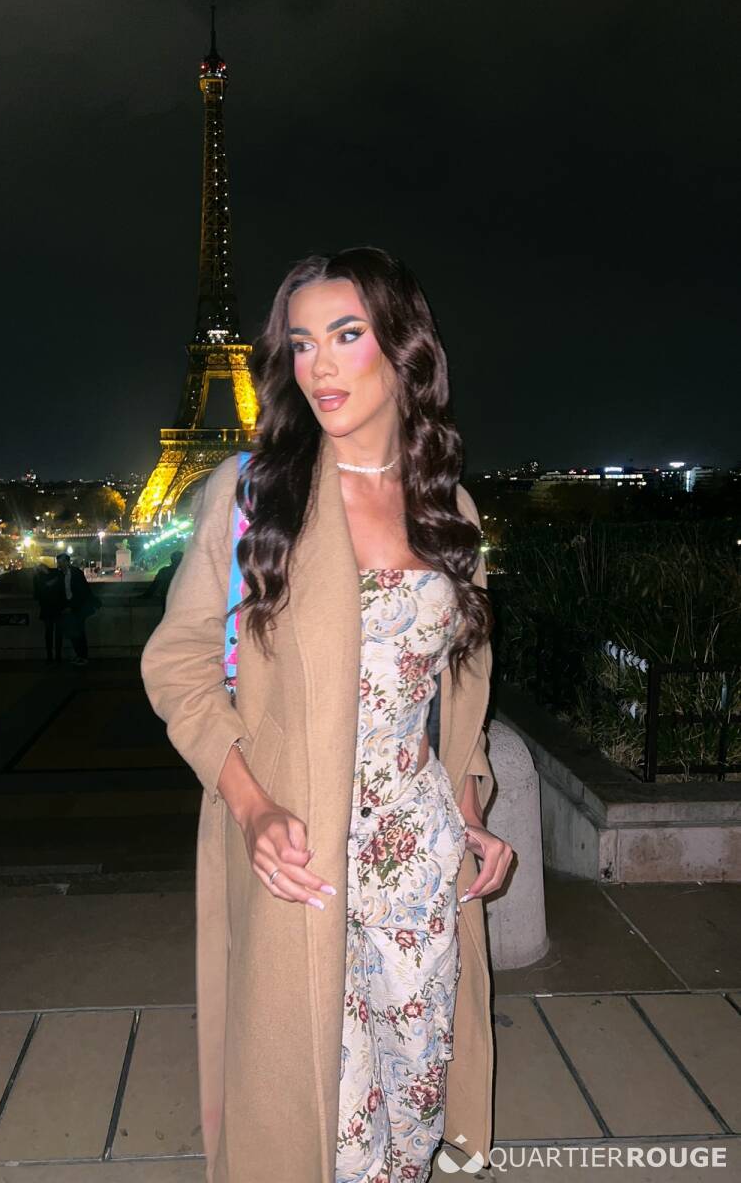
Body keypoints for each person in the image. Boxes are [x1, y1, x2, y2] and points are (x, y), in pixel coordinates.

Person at [141, 247, 514, 1182]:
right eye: (302, 343)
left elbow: (460, 691)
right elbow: (179, 663)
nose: (320, 365)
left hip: (416, 861)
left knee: (413, 1114)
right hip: (299, 856)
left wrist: (470, 812)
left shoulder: (450, 509)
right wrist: (251, 807)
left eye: (347, 335)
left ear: (403, 347)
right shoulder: (254, 495)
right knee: (324, 1130)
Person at [55, 552, 100, 666]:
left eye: (60, 562)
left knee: (79, 632)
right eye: (58, 562)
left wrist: (71, 607)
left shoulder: (76, 573)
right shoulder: (62, 574)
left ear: (67, 562)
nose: (59, 565)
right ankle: (79, 655)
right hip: (70, 607)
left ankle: (83, 656)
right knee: (74, 633)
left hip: (78, 608)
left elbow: (81, 593)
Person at [33, 563, 65, 663]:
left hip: (47, 608)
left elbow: (36, 595)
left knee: (49, 633)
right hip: (58, 608)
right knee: (57, 634)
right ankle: (57, 656)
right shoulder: (58, 574)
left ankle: (50, 656)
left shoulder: (38, 578)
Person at [144, 550, 184, 616]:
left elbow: (154, 586)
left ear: (172, 559)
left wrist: (145, 596)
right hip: (182, 601)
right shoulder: (187, 572)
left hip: (167, 600)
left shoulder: (164, 571)